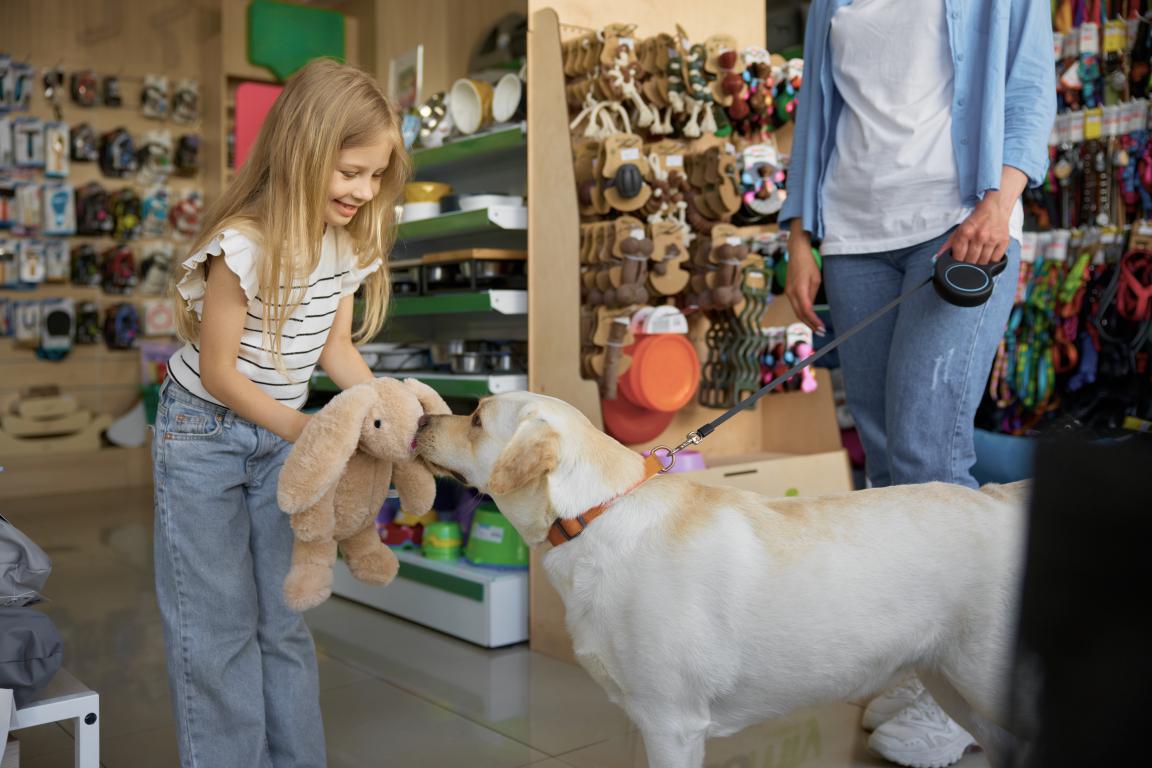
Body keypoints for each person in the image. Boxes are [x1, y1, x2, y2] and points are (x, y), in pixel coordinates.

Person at [780, 1, 1055, 766]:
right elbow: (817, 117)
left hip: (959, 224)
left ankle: (970, 687)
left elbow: (1031, 86)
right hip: (857, 238)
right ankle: (917, 664)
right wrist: (801, 238)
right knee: (887, 471)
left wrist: (1002, 201)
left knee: (930, 454)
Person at [152, 58, 409, 767]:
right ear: (302, 151)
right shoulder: (244, 244)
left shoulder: (350, 243)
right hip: (202, 434)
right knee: (217, 630)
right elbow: (219, 371)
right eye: (349, 171)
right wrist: (310, 431)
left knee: (285, 623)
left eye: (375, 175)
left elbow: (336, 352)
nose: (363, 190)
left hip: (285, 442)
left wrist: (388, 412)